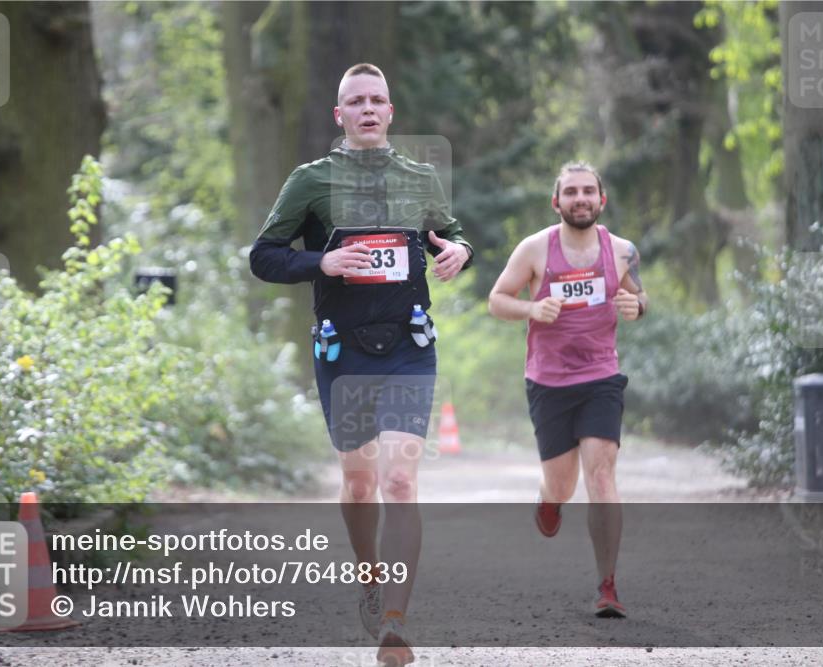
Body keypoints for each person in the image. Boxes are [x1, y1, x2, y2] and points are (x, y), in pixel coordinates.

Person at [249, 63, 473, 664]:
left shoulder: (419, 178)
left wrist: (460, 251)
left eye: (378, 100)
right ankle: (370, 573)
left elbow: (450, 235)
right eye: (357, 101)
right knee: (358, 480)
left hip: (408, 345)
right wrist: (319, 264)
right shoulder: (311, 181)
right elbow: (264, 256)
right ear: (340, 115)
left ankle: (394, 622)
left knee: (399, 480)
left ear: (391, 114)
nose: (369, 109)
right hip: (341, 349)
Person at [487, 161, 647, 618]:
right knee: (563, 483)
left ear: (602, 200)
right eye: (571, 192)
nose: (581, 199)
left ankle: (608, 586)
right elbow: (498, 300)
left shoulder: (621, 251)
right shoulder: (536, 249)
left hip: (601, 377)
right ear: (556, 201)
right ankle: (549, 500)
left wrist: (637, 306)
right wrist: (532, 311)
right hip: (548, 381)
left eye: (588, 191)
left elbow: (640, 296)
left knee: (601, 474)